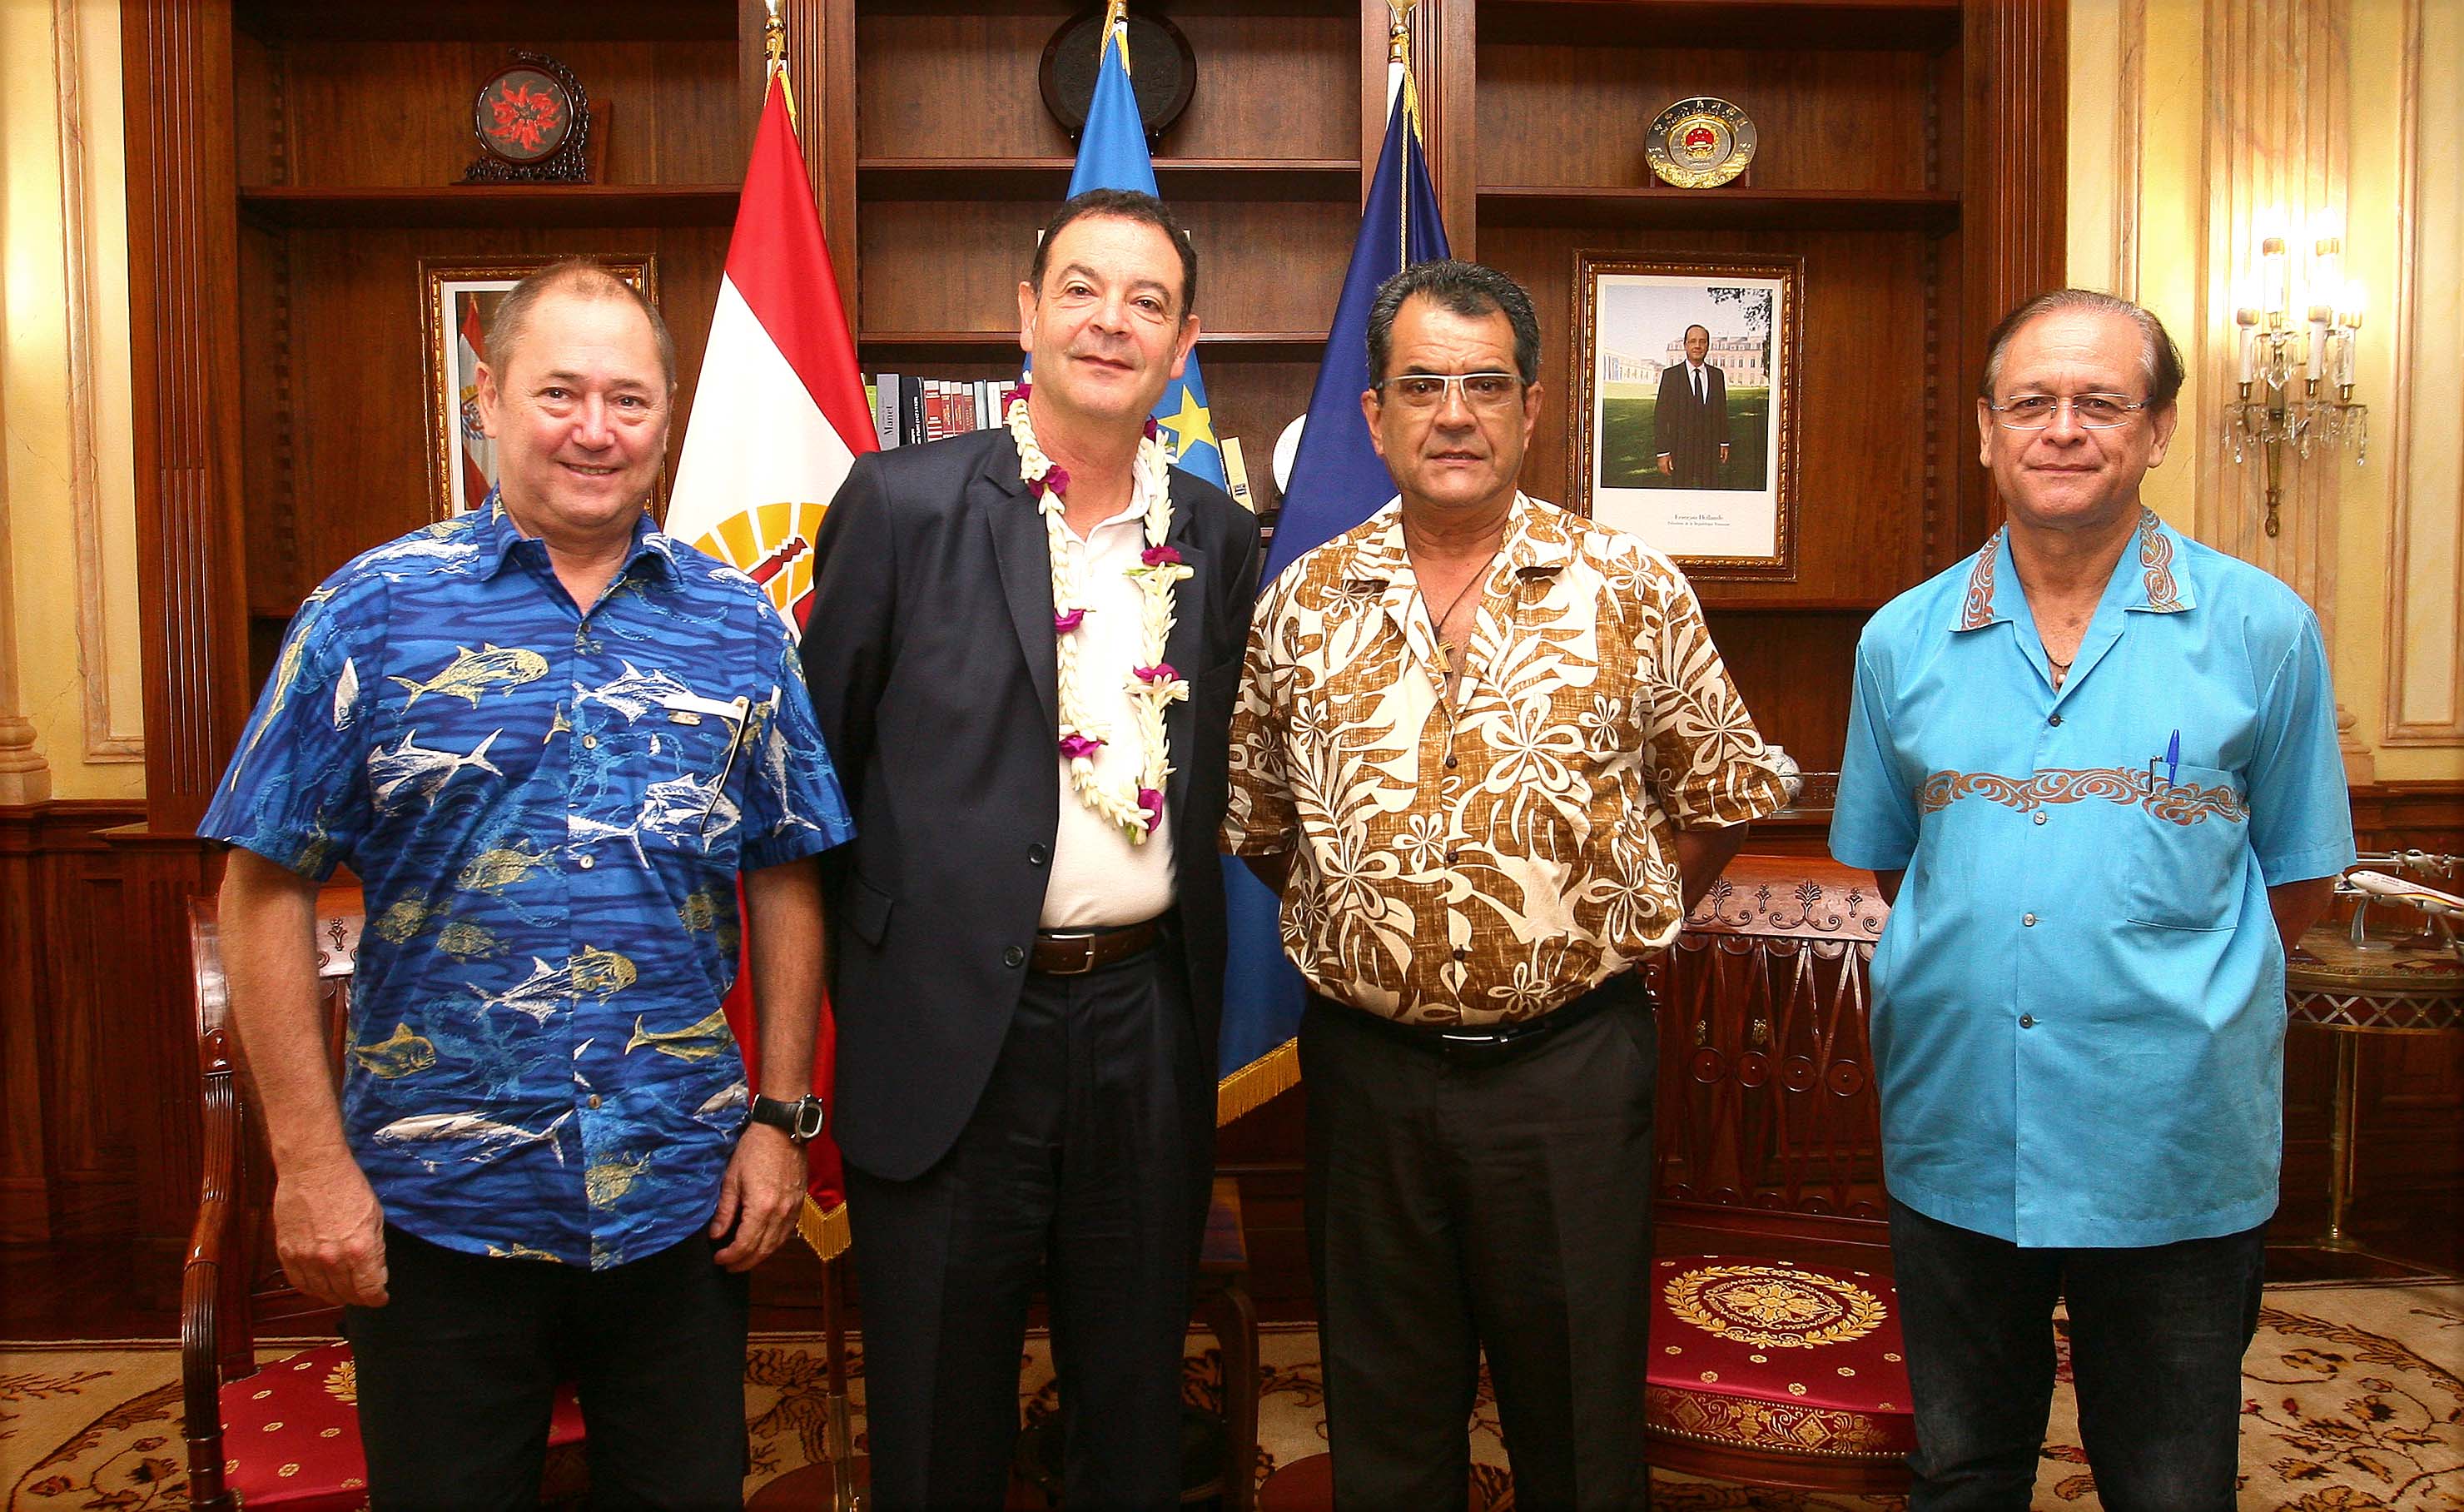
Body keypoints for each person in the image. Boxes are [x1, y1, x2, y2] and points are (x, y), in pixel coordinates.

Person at [201, 258, 853, 1509]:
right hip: (442, 1211)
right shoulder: (369, 615)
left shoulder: (742, 625)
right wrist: (308, 1161)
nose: (595, 431)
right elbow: (263, 885)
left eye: (630, 399)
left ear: (667, 419)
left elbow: (784, 874)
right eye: (560, 393)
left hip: (679, 1199)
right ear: (486, 398)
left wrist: (781, 1124)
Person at [1221, 260, 1791, 1511]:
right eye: (1421, 385)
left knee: (1581, 1427)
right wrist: (1384, 927)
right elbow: (1264, 825)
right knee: (1384, 1421)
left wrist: (1605, 911)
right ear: (1372, 417)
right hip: (1367, 1079)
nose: (1455, 413)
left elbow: (1720, 794)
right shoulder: (1302, 603)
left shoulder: (1631, 591)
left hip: (1570, 1076)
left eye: (1486, 384)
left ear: (1533, 409)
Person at [1830, 289, 2353, 1511]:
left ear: (2157, 429)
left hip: (2171, 1140)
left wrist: (2156, 985)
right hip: (1957, 1128)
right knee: (1962, 1468)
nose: (2063, 428)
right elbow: (1904, 869)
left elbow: (2301, 880)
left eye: (2101, 403)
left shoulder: (2261, 632)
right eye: (2033, 403)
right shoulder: (1902, 642)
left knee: (2170, 1480)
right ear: (1986, 431)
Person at [799, 187, 1262, 1510]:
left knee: (1129, 1420)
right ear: (1027, 313)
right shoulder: (900, 505)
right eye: (1082, 289)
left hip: (1142, 1026)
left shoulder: (1218, 539)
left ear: (1183, 346)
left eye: (1148, 302)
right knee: (941, 1429)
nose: (1110, 322)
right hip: (948, 1036)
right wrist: (882, 987)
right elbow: (816, 790)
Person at [1653, 323, 1731, 487]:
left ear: (1708, 346)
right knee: (1681, 499)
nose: (1698, 346)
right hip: (1680, 451)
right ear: (1685, 345)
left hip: (1710, 451)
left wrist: (1724, 442)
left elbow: (1721, 412)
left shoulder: (1717, 375)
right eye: (1693, 341)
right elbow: (1661, 417)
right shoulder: (1670, 376)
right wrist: (1663, 453)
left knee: (1710, 495)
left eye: (1703, 341)